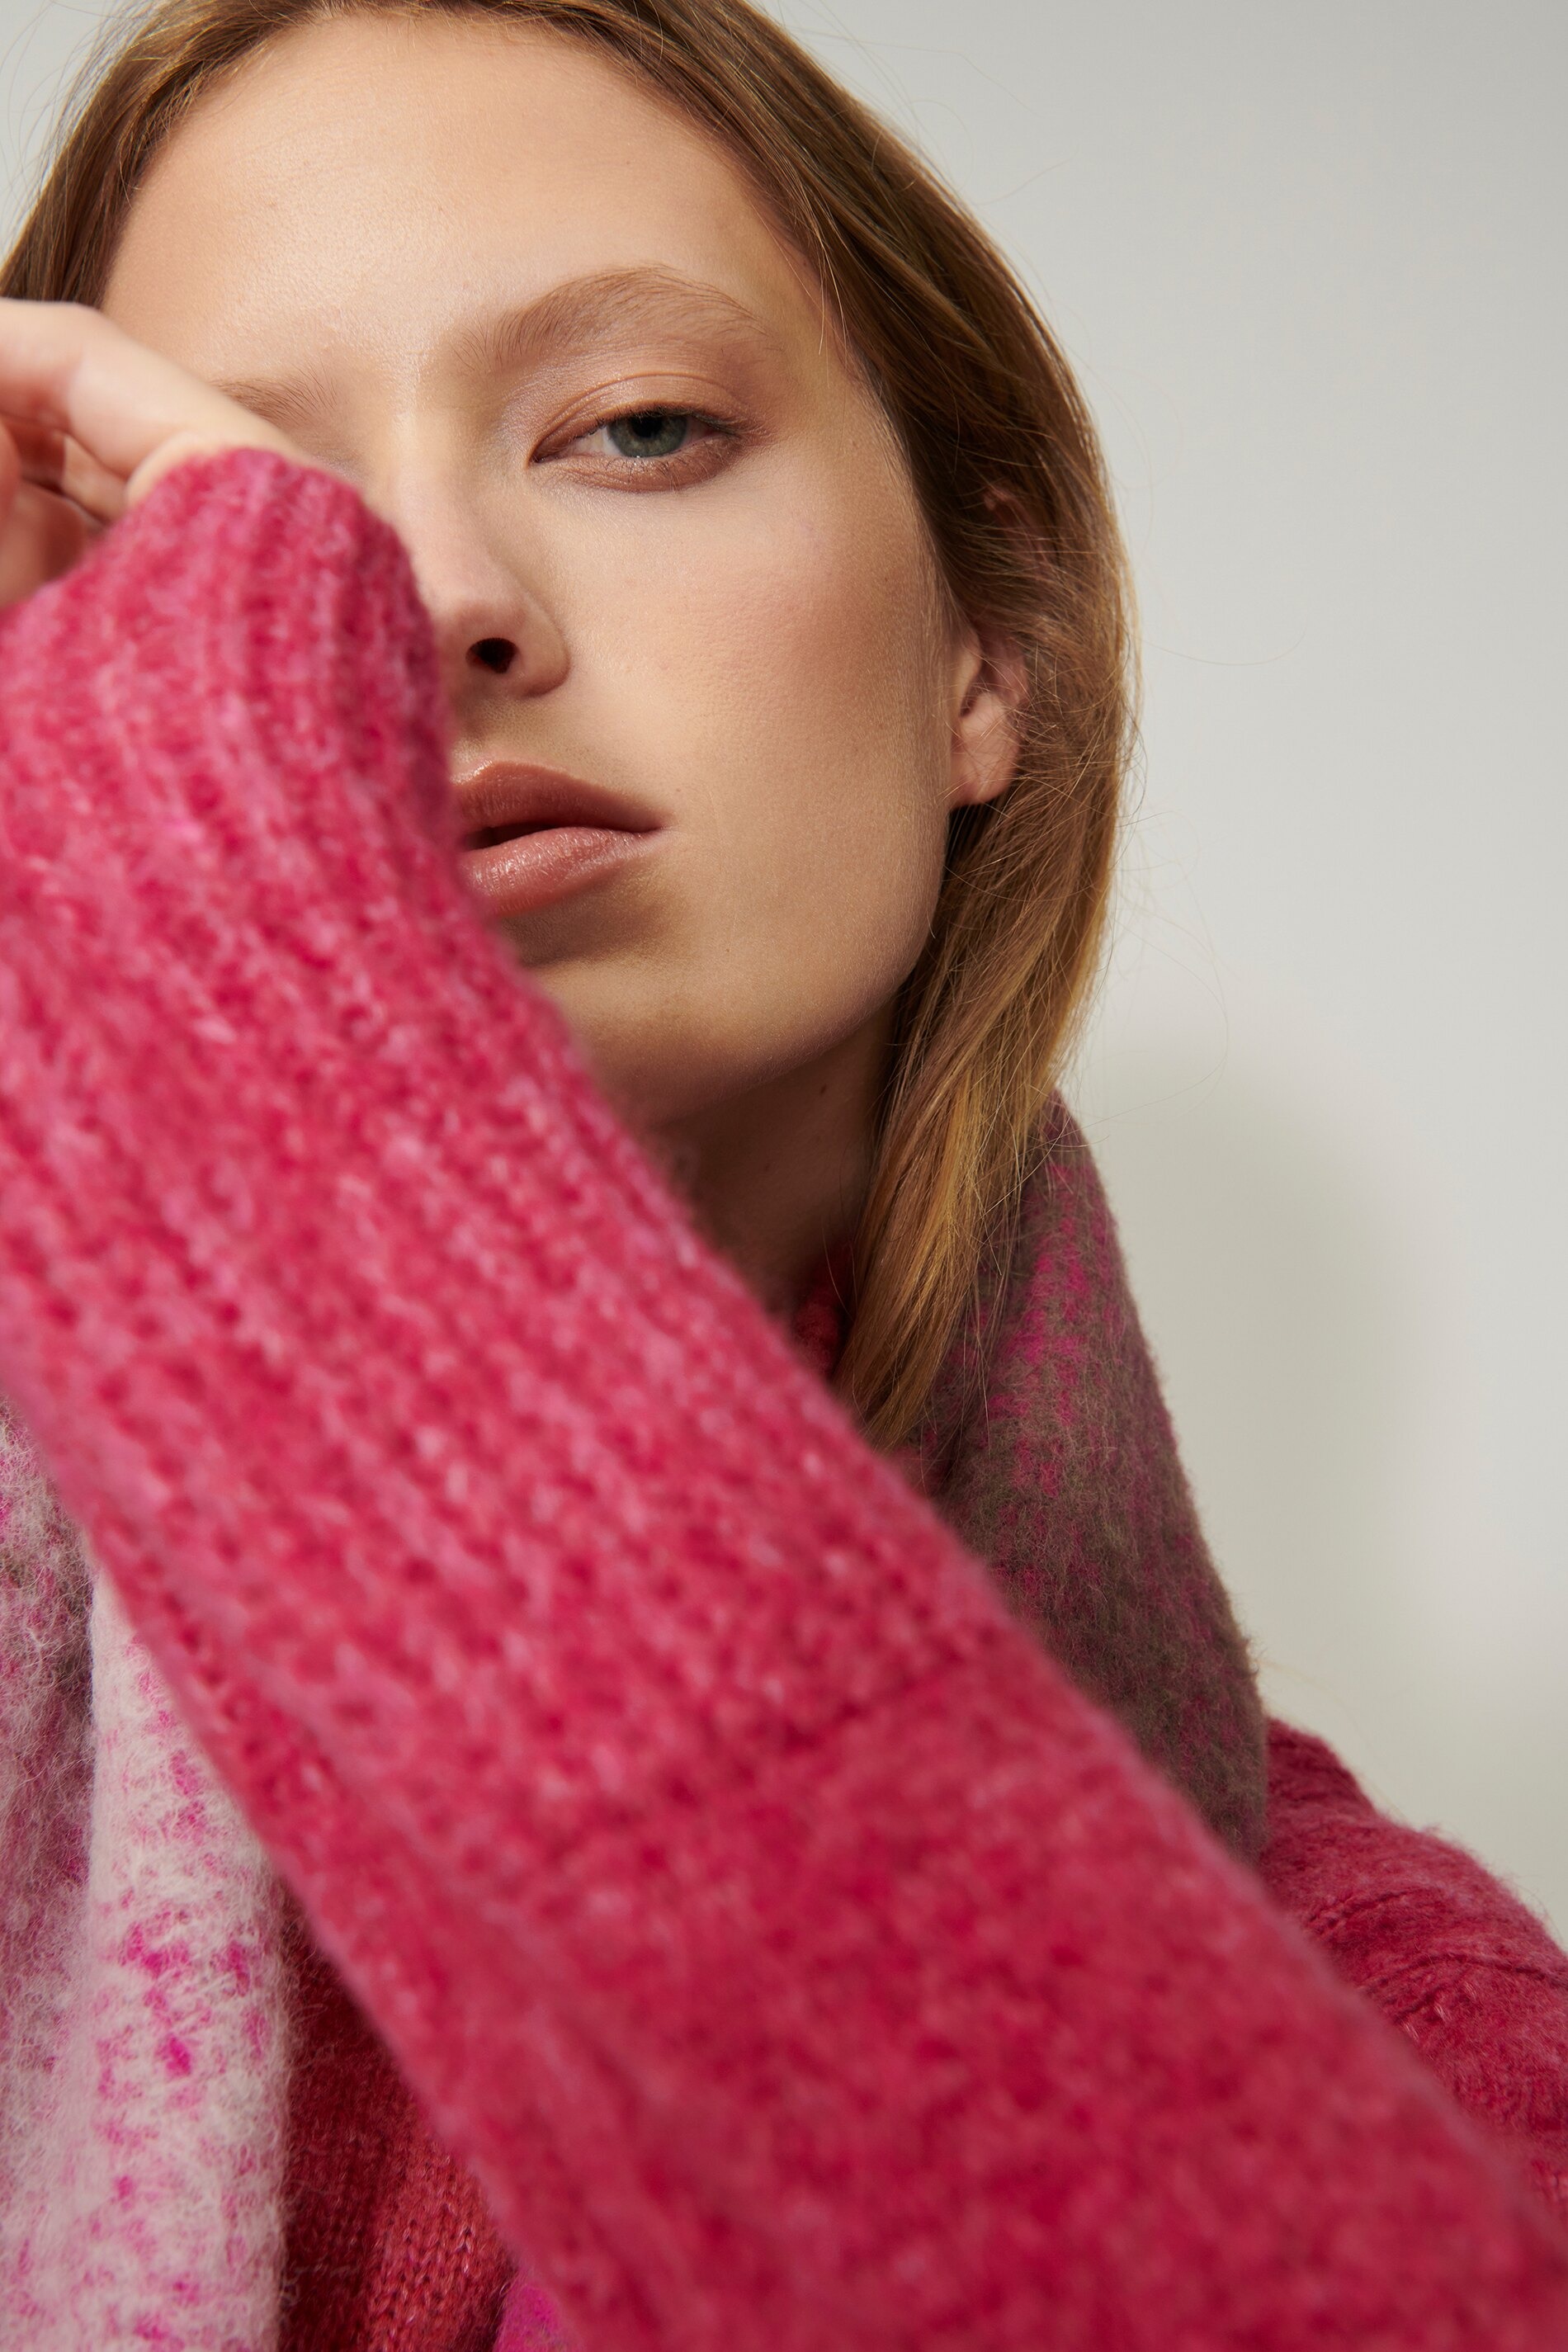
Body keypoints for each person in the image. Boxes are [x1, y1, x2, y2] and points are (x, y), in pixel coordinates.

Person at [0, 2, 1564, 2346]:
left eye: (640, 426)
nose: (424, 600)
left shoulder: (1411, 2045)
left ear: (982, 651)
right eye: (229, 524)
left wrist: (334, 1194)